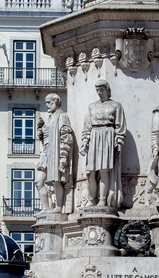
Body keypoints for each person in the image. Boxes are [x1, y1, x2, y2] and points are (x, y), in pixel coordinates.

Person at [80, 80, 126, 209]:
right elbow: (87, 126)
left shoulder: (116, 105)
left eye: (101, 89)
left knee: (104, 170)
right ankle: (91, 199)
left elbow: (120, 126)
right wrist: (84, 141)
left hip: (108, 136)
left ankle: (102, 199)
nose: (99, 92)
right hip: (94, 135)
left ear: (107, 89)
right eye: (97, 90)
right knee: (90, 172)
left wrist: (119, 143)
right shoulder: (92, 106)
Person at [36, 93, 75, 213]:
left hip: (56, 153)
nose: (47, 105)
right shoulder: (49, 119)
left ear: (57, 102)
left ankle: (58, 206)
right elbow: (47, 138)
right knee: (38, 182)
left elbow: (66, 136)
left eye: (49, 102)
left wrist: (63, 156)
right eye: (46, 102)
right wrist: (41, 135)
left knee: (56, 180)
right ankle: (46, 208)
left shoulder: (62, 116)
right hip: (46, 153)